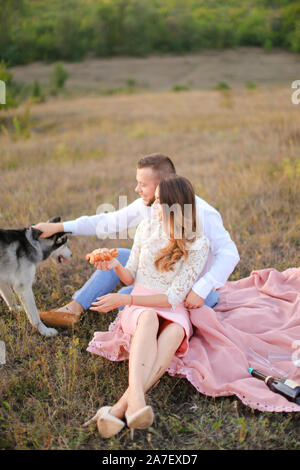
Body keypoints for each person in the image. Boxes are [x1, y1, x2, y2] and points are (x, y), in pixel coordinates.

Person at [34, 153, 240, 327]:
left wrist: (202, 287)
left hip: (189, 285)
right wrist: (58, 227)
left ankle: (129, 305)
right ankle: (73, 310)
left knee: (126, 295)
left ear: (163, 186)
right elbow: (108, 221)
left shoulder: (203, 213)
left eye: (142, 184)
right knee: (120, 256)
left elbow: (229, 253)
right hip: (159, 275)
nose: (136, 189)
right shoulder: (147, 204)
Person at [83, 176, 210, 438]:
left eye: (160, 201)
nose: (153, 205)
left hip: (171, 307)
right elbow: (130, 277)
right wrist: (115, 266)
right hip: (143, 306)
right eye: (155, 200)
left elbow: (172, 299)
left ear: (177, 206)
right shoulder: (145, 228)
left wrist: (123, 299)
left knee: (175, 332)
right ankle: (136, 404)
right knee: (150, 317)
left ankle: (117, 409)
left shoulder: (198, 243)